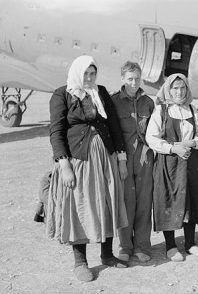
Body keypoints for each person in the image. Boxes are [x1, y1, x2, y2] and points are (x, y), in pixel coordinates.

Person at [47, 55, 128, 282]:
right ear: (77, 73)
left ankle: (107, 255)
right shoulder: (62, 94)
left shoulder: (100, 92)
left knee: (108, 202)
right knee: (81, 206)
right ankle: (80, 262)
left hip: (106, 158)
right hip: (79, 160)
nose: (90, 78)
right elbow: (56, 131)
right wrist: (64, 164)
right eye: (86, 74)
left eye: (93, 73)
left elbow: (114, 126)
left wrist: (121, 159)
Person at [146, 74, 198, 262]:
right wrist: (173, 148)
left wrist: (192, 143)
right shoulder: (161, 110)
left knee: (190, 199)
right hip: (169, 163)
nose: (179, 91)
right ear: (168, 89)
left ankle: (190, 243)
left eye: (182, 88)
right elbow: (152, 137)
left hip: (191, 161)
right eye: (175, 88)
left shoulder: (192, 109)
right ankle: (171, 246)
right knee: (169, 200)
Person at [110, 61, 155, 263]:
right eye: (130, 79)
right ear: (122, 79)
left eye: (137, 78)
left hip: (145, 157)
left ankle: (142, 246)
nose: (134, 82)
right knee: (126, 202)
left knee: (144, 202)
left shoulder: (148, 102)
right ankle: (125, 246)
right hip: (123, 158)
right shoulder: (113, 102)